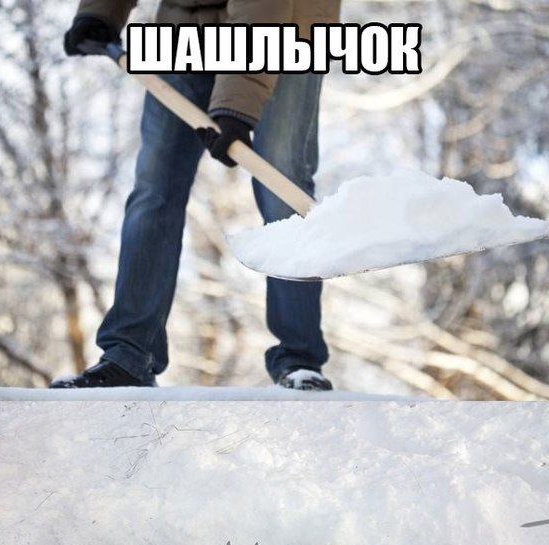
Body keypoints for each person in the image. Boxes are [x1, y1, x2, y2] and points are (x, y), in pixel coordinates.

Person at [51, 0, 340, 391]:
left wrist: (236, 106)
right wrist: (102, 11)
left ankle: (300, 358)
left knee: (281, 187)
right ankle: (131, 353)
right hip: (183, 26)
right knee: (154, 187)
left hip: (285, 24)